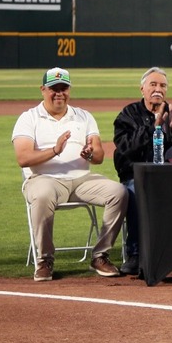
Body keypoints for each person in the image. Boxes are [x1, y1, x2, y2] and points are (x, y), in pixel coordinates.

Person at [13, 68, 128, 282]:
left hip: (81, 179)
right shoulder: (29, 118)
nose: (59, 93)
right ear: (43, 90)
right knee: (43, 194)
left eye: (63, 88)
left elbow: (99, 156)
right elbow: (23, 157)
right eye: (54, 89)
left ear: (69, 90)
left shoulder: (83, 116)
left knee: (118, 192)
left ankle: (100, 255)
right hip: (43, 179)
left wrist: (91, 153)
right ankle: (45, 259)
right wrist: (54, 151)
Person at [112, 66, 172, 277]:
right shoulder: (128, 114)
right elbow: (125, 148)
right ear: (142, 89)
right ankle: (135, 253)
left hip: (169, 177)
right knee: (133, 192)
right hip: (136, 176)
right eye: (153, 84)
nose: (158, 89)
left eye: (162, 85)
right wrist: (153, 126)